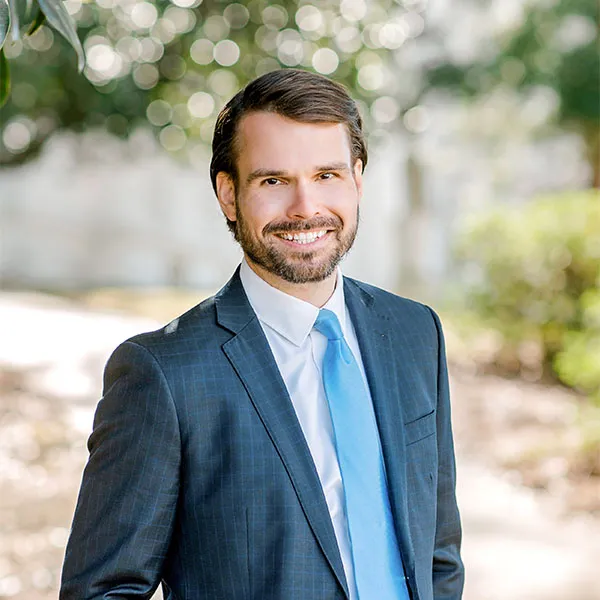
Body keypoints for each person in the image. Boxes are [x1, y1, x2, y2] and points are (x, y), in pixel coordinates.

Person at [60, 68, 464, 600]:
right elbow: (102, 591)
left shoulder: (415, 332)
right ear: (229, 195)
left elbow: (438, 553)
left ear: (358, 179)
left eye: (327, 176)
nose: (305, 208)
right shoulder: (162, 374)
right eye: (273, 181)